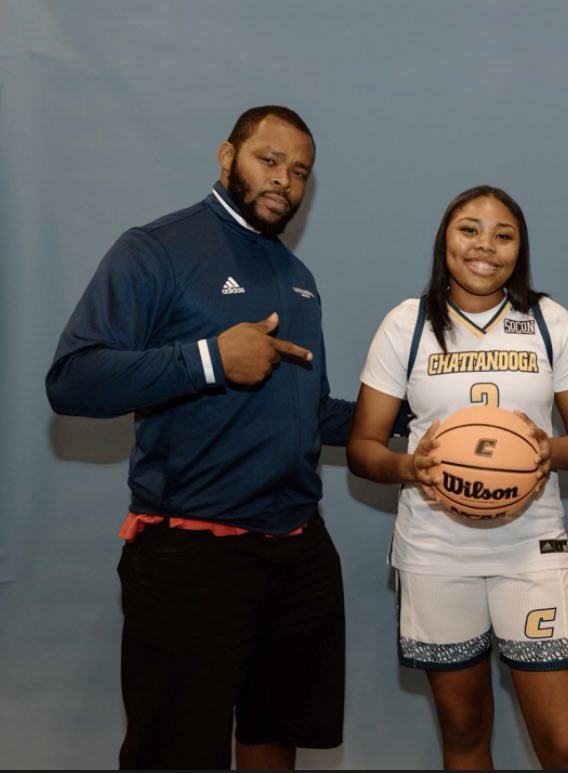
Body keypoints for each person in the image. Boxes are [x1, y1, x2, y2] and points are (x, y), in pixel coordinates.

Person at [45, 105, 372, 770]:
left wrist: (410, 410)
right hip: (192, 552)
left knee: (273, 735)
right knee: (176, 752)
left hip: (297, 550)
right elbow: (73, 380)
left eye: (300, 171)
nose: (284, 179)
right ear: (227, 157)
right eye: (268, 160)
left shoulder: (297, 280)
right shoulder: (156, 249)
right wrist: (209, 358)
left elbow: (308, 411)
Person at [346, 184, 568, 770]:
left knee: (565, 745)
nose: (484, 245)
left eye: (503, 234)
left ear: (520, 249)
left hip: (531, 549)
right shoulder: (406, 324)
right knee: (464, 736)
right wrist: (408, 466)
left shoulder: (548, 321)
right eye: (469, 229)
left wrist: (549, 451)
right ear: (445, 239)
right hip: (437, 552)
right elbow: (363, 447)